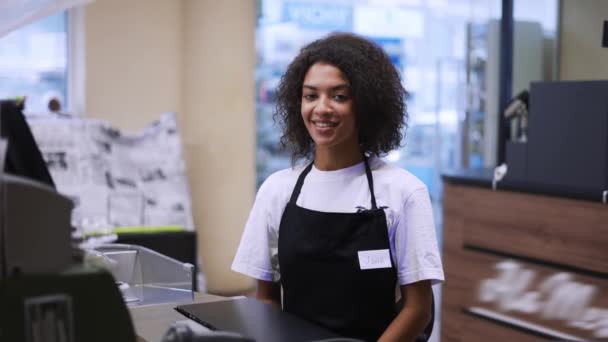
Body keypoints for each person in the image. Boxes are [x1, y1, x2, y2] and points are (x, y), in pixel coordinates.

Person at [232, 33, 444, 341]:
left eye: (339, 96)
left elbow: (418, 310)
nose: (322, 108)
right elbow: (266, 297)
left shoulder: (403, 192)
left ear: (367, 104)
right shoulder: (277, 190)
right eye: (310, 95)